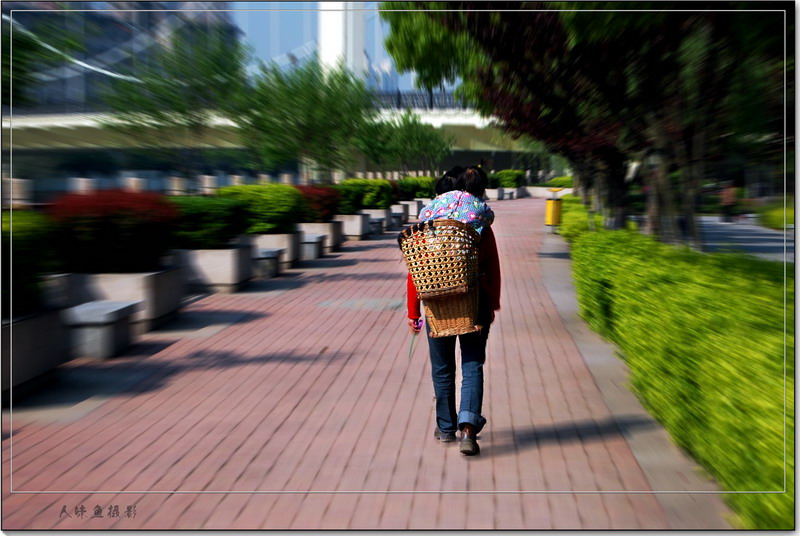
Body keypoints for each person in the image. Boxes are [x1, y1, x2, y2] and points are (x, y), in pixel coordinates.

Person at [406, 165, 501, 456]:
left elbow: (416, 269)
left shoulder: (430, 220)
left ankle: (445, 428)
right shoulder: (479, 221)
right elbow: (492, 267)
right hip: (474, 303)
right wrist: (492, 303)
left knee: (442, 367)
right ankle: (468, 429)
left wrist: (414, 311)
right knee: (472, 366)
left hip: (435, 302)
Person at [419, 167, 495, 234]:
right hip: (464, 247)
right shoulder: (482, 205)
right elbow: (490, 220)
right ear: (482, 188)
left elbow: (422, 215)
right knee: (486, 230)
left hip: (434, 245)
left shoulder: (444, 196)